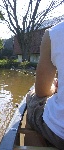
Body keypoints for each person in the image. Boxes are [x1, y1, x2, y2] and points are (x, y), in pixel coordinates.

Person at [26, 21, 64, 149]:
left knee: (32, 97)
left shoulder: (53, 34)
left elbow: (41, 91)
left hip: (60, 134)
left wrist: (54, 86)